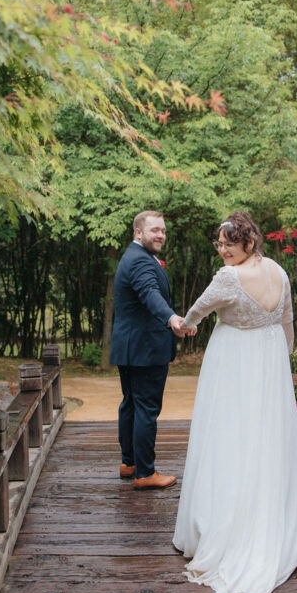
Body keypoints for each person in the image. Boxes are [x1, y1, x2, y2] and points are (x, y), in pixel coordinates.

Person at [173, 211, 297, 593]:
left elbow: (197, 310)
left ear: (248, 243)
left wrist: (187, 324)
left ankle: (226, 529)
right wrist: (280, 364)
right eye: (219, 244)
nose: (222, 250)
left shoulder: (228, 278)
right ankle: (266, 523)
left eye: (228, 244)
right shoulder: (279, 272)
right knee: (264, 440)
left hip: (234, 361)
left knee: (228, 437)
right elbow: (287, 322)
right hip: (269, 361)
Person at [110, 210, 194, 490]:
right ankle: (145, 473)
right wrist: (172, 319)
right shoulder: (141, 261)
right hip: (145, 348)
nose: (161, 235)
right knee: (146, 408)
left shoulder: (133, 257)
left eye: (163, 230)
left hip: (130, 346)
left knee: (132, 404)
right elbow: (150, 294)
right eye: (154, 230)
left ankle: (129, 462)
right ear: (138, 232)